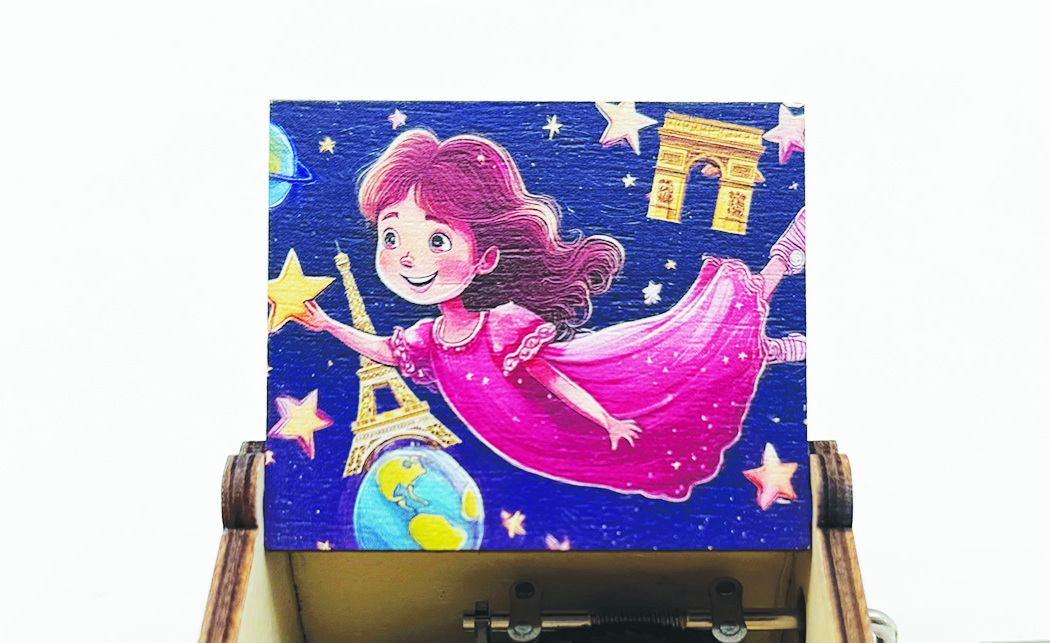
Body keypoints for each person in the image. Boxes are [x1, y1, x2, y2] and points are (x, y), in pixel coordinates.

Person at [299, 130, 805, 503]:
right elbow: (385, 351)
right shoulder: (429, 337)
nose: (408, 257)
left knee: (682, 354)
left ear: (485, 258)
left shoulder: (500, 325)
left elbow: (553, 379)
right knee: (683, 389)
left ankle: (780, 263)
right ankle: (768, 346)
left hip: (586, 400)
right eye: (391, 236)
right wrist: (328, 325)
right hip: (543, 439)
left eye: (437, 239)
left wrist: (606, 419)